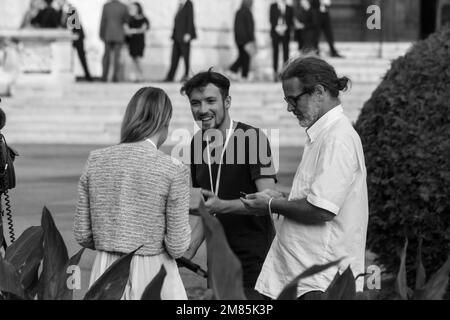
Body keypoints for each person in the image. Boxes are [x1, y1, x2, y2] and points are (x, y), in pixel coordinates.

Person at [241, 57, 368, 299]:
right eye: (286, 100)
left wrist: (270, 204)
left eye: (293, 99)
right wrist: (284, 198)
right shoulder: (324, 134)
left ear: (319, 92)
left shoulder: (337, 138)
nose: (290, 108)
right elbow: (320, 197)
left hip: (320, 280)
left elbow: (322, 211)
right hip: (304, 273)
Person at [74, 87, 191, 300]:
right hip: (154, 270)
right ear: (164, 122)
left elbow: (83, 234)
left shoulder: (96, 159)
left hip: (105, 271)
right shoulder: (174, 169)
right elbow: (177, 246)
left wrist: (113, 240)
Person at [181, 70, 278, 300]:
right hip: (216, 262)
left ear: (227, 101)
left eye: (210, 101)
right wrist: (189, 248)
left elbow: (269, 202)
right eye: (195, 103)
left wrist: (222, 206)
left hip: (255, 262)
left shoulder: (253, 138)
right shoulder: (196, 145)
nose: (202, 110)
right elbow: (207, 209)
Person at [59, 0, 93, 82]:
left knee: (81, 56)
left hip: (77, 36)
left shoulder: (70, 8)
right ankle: (87, 76)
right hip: (73, 35)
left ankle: (88, 77)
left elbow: (73, 24)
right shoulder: (64, 9)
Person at [164, 0, 197, 83]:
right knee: (174, 57)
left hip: (184, 36)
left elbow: (190, 18)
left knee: (186, 58)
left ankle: (186, 75)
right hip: (176, 37)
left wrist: (188, 33)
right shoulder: (180, 5)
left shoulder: (189, 3)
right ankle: (170, 76)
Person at [99, 0, 130, 82]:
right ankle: (115, 77)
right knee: (117, 57)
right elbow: (127, 20)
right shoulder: (124, 7)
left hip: (108, 34)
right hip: (119, 34)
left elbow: (103, 21)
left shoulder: (106, 6)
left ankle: (104, 77)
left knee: (106, 56)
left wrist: (101, 34)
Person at [229, 0, 255, 81]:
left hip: (239, 40)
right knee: (245, 58)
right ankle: (243, 75)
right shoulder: (248, 12)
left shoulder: (238, 12)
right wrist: (252, 39)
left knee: (242, 57)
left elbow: (236, 27)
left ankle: (234, 71)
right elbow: (250, 28)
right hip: (246, 40)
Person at [125, 2, 150, 83]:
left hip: (139, 41)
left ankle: (142, 76)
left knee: (138, 58)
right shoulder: (130, 19)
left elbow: (143, 29)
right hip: (131, 41)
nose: (132, 9)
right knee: (133, 58)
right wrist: (135, 31)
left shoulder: (144, 19)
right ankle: (136, 77)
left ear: (138, 9)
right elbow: (127, 30)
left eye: (134, 8)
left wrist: (133, 31)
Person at [270, 0, 293, 82]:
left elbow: (290, 21)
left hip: (285, 33)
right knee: (275, 53)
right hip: (275, 32)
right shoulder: (273, 6)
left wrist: (285, 28)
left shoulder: (289, 7)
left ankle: (285, 72)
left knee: (286, 53)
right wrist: (277, 28)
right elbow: (271, 18)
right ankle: (275, 73)